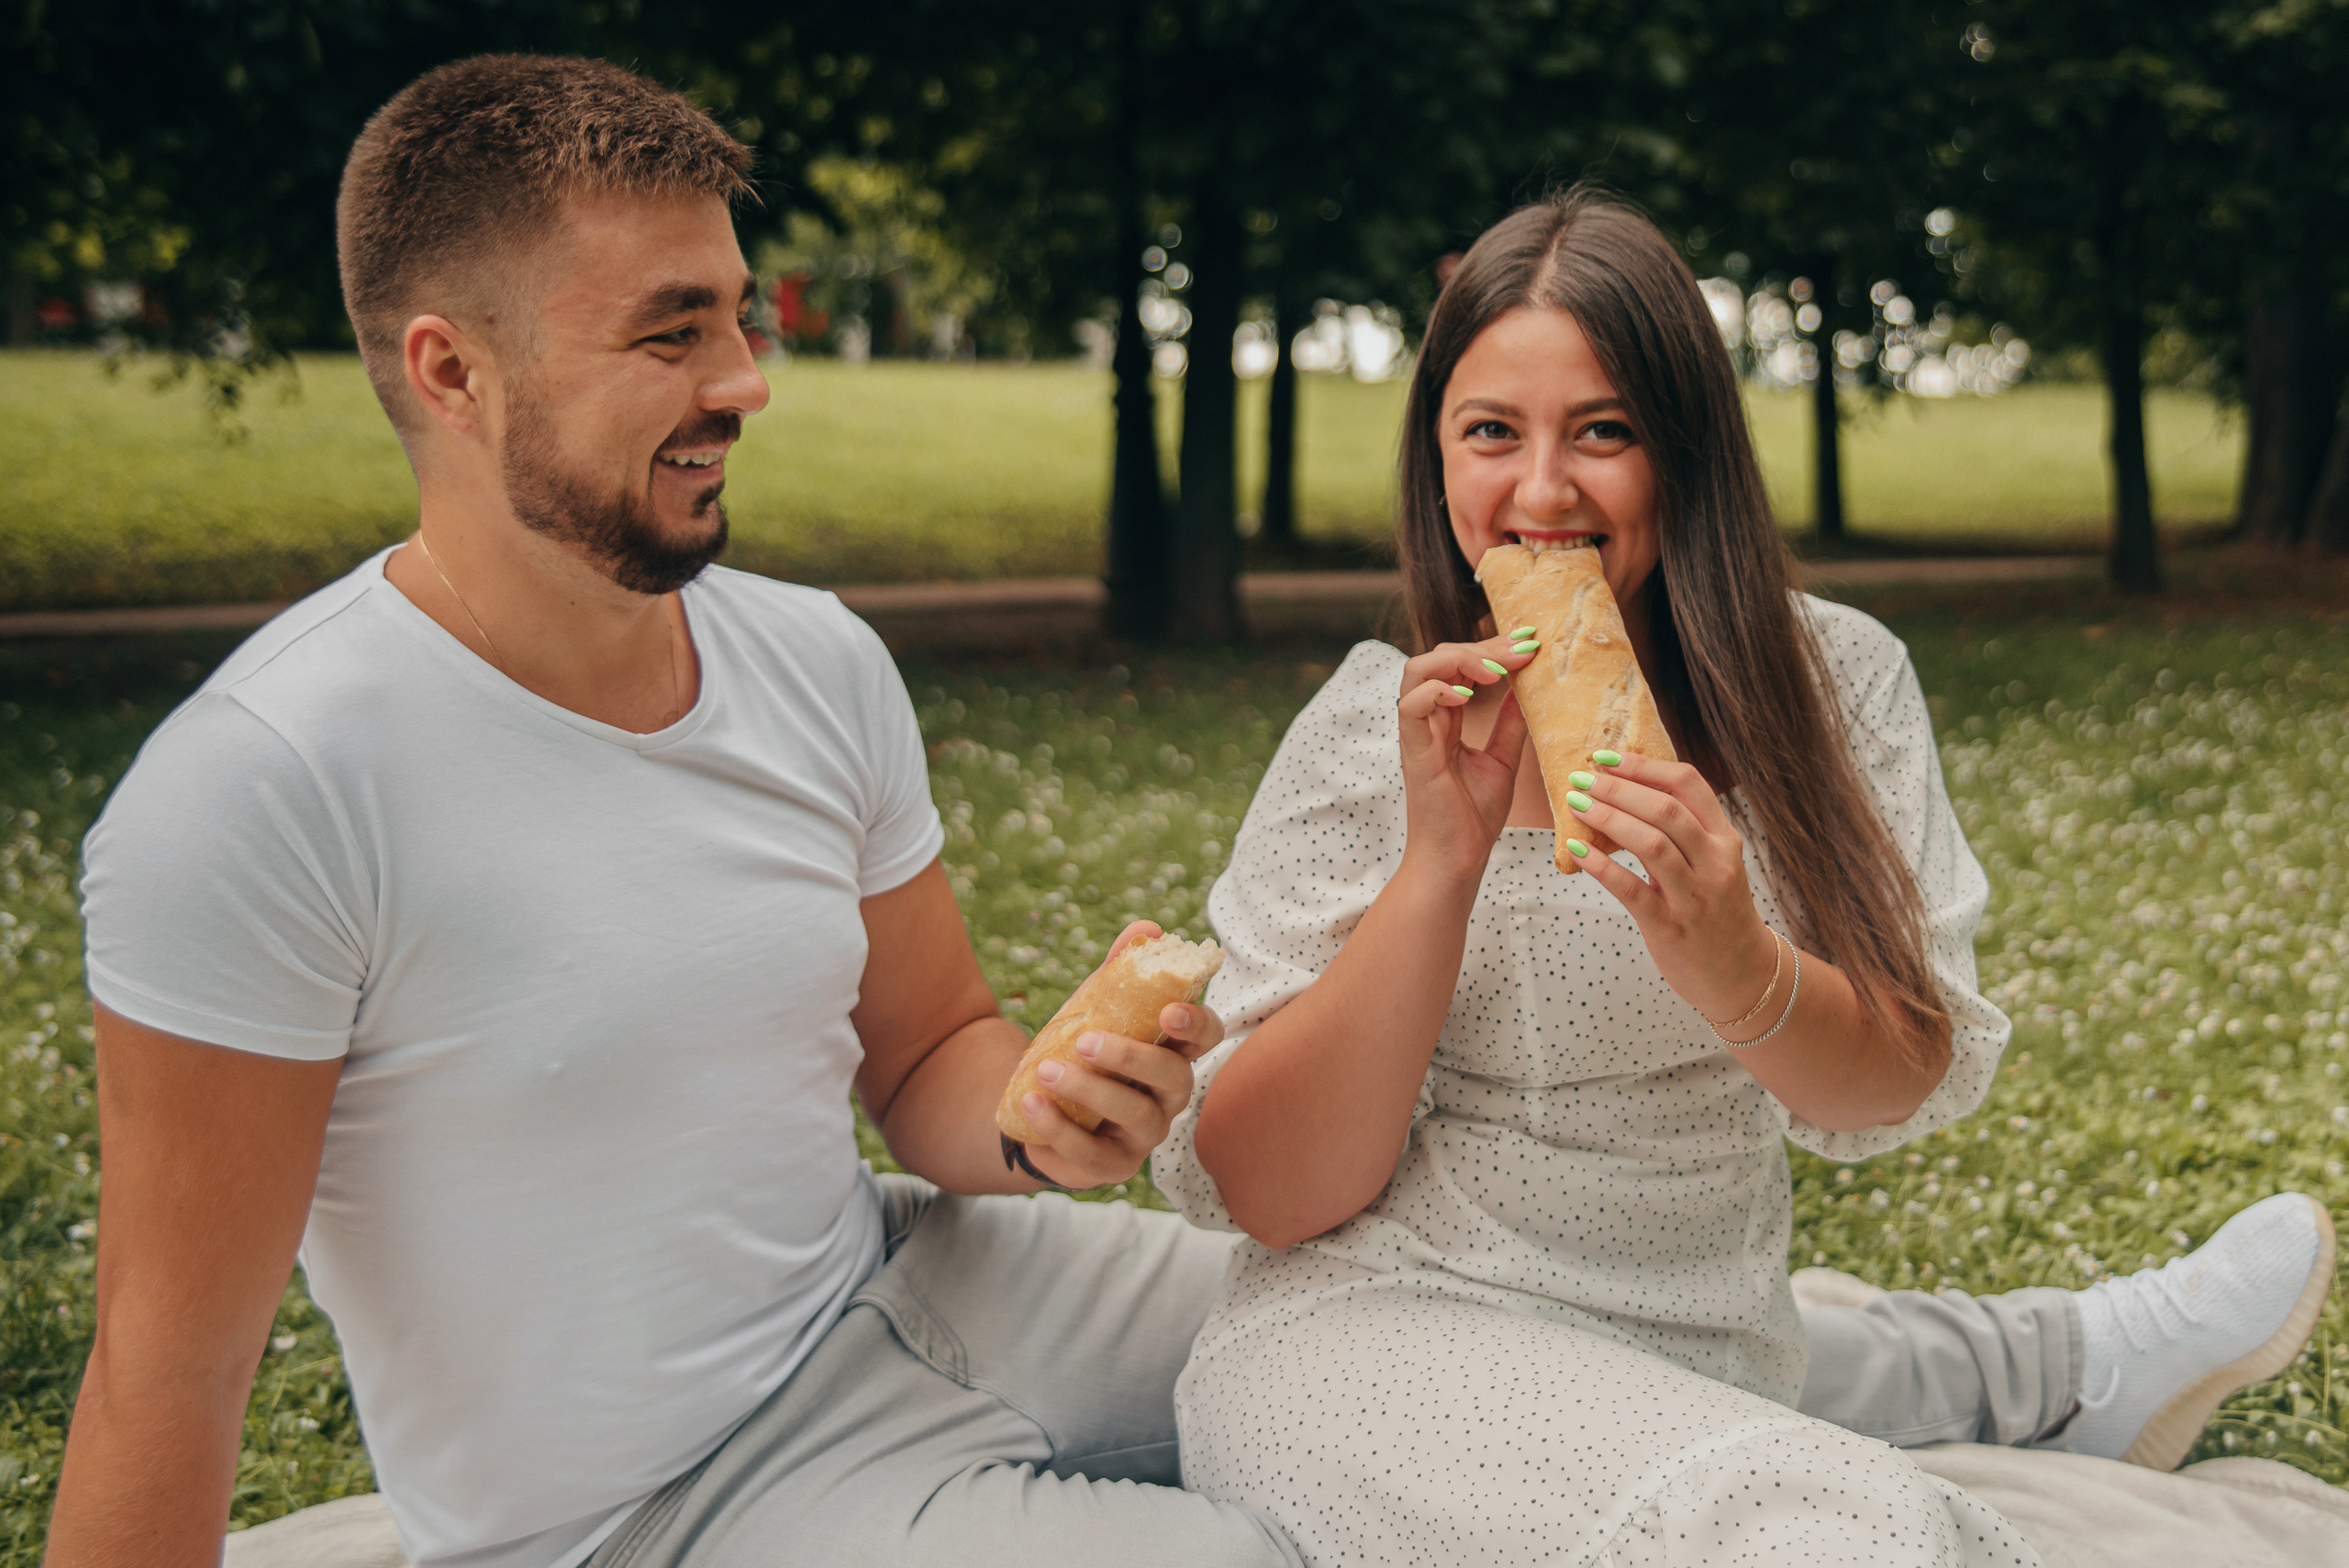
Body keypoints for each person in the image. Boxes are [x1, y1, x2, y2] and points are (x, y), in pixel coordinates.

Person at [45, 55, 1298, 1568]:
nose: (745, 381)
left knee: (1385, 1347)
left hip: (909, 1284)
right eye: (670, 332)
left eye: (738, 313)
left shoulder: (812, 657)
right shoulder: (263, 790)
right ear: (452, 372)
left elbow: (925, 1048)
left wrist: (1040, 1118)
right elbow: (167, 1368)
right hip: (646, 1507)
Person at [1152, 186, 2336, 1567]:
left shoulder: (1833, 687)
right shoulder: (1373, 731)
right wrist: (1438, 868)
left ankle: (2063, 1364)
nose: (1543, 493)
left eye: (1605, 431)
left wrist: (1738, 958)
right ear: (1437, 460)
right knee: (1856, 1534)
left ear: (1687, 451)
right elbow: (1276, 1194)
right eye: (1492, 433)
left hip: (1703, 1353)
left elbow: (1897, 1073)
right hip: (1357, 1345)